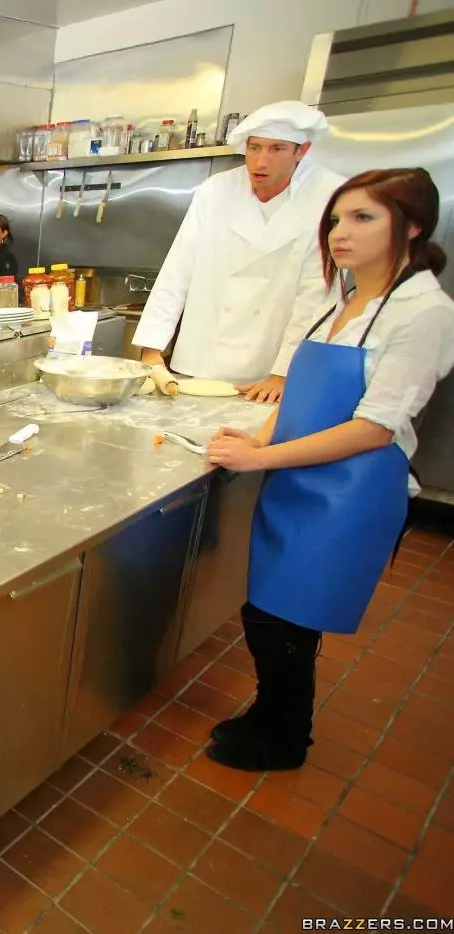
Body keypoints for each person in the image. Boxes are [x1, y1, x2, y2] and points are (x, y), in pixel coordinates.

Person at [204, 167, 454, 772]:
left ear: (412, 227)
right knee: (269, 609)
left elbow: (374, 427)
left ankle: (287, 739)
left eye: (363, 218)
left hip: (349, 494)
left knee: (287, 615)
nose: (341, 232)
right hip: (297, 479)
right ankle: (272, 715)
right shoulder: (344, 298)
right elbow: (301, 389)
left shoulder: (424, 311)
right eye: (337, 218)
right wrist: (259, 436)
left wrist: (259, 458)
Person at [133, 101, 347, 403]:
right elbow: (178, 269)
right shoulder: (217, 190)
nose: (261, 161)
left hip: (270, 366)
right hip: (202, 357)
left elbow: (318, 292)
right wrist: (152, 349)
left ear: (302, 150)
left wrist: (285, 372)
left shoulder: (329, 195)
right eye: (254, 148)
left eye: (276, 149)